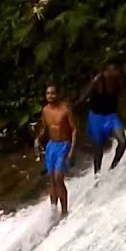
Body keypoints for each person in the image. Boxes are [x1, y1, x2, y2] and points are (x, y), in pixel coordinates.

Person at [78, 61, 126, 176]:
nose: (113, 73)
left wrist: (121, 116)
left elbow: (116, 101)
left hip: (111, 116)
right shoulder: (98, 80)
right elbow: (84, 97)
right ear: (106, 71)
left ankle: (113, 167)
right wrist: (73, 107)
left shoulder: (118, 82)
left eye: (115, 71)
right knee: (98, 148)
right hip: (96, 118)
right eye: (110, 71)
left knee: (122, 142)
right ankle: (97, 174)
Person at [34, 82, 76, 217]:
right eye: (48, 93)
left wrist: (71, 151)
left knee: (58, 177)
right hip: (51, 145)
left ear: (57, 94)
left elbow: (74, 130)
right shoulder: (45, 110)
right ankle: (53, 209)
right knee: (51, 178)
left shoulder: (65, 109)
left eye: (53, 93)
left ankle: (64, 211)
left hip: (63, 145)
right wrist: (38, 139)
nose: (50, 96)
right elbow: (45, 128)